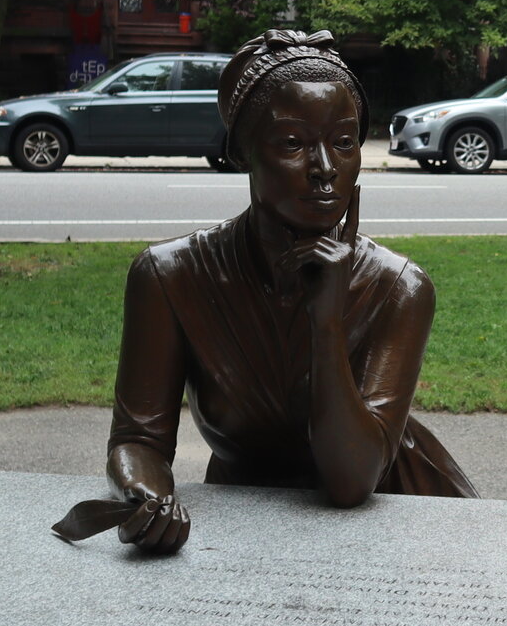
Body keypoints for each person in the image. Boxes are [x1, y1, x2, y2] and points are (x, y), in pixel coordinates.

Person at [55, 29, 473, 555]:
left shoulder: (400, 288)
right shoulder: (169, 276)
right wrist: (146, 497)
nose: (325, 169)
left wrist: (327, 322)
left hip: (384, 520)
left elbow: (350, 484)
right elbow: (138, 440)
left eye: (344, 142)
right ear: (243, 153)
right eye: (293, 143)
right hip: (247, 516)